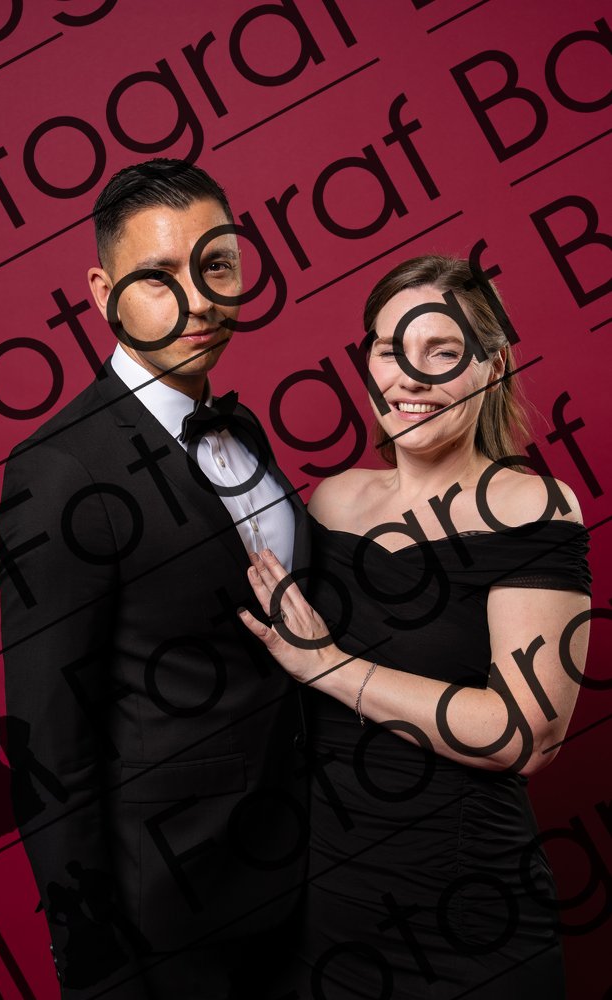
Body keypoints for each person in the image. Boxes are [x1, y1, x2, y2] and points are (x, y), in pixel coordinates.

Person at [0, 159, 309, 1000]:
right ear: (104, 293)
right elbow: (47, 744)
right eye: (159, 276)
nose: (198, 300)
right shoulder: (59, 470)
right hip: (171, 917)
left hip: (308, 881)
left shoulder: (239, 427)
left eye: (216, 266)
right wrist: (98, 971)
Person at [240, 255, 591, 999]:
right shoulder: (332, 501)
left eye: (443, 352)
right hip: (323, 916)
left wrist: (331, 666)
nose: (411, 377)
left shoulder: (531, 507)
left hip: (467, 921)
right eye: (390, 349)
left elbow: (524, 734)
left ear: (493, 366)